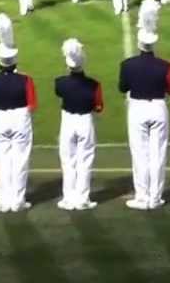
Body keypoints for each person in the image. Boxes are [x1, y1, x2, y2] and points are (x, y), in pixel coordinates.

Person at [119, 0, 170, 210]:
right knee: (158, 154)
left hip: (137, 108)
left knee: (140, 154)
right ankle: (156, 197)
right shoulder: (166, 66)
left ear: (139, 43)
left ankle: (142, 196)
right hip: (159, 108)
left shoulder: (127, 65)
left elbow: (122, 87)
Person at [0, 13, 36, 212]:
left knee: (2, 161)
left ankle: (3, 200)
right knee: (20, 161)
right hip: (20, 118)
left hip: (0, 118)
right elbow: (32, 105)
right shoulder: (26, 80)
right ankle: (18, 201)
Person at [55, 38, 102, 211]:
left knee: (68, 161)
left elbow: (60, 93)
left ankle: (68, 198)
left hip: (67, 122)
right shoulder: (94, 85)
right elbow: (99, 107)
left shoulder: (60, 83)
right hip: (85, 122)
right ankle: (82, 198)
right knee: (85, 161)